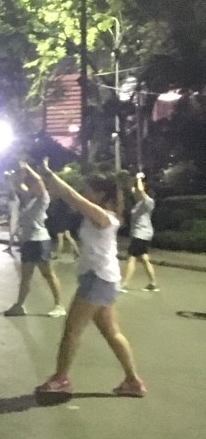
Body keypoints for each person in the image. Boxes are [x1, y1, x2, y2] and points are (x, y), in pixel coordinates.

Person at [36, 159, 146, 397]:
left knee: (72, 331)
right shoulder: (99, 215)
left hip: (98, 279)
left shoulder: (103, 216)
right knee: (111, 333)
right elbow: (68, 197)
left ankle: (61, 379)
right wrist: (47, 181)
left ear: (100, 194)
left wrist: (49, 173)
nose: (85, 193)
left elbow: (73, 196)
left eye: (89, 189)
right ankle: (133, 381)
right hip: (100, 278)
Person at [4, 162, 65, 317]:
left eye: (37, 186)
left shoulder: (43, 199)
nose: (34, 187)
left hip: (40, 241)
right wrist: (22, 171)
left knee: (48, 275)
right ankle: (19, 306)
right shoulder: (29, 198)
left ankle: (59, 305)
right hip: (29, 242)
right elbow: (17, 183)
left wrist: (29, 168)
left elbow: (38, 181)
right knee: (25, 277)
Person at [120, 172, 159, 292]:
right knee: (144, 258)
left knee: (131, 258)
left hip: (141, 233)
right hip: (141, 234)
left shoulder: (148, 202)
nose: (135, 191)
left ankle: (124, 284)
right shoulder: (139, 203)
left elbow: (140, 190)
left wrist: (139, 177)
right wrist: (133, 180)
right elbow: (133, 189)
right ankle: (153, 283)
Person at [50, 194, 80, 261]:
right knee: (68, 237)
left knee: (60, 239)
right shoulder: (68, 201)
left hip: (61, 222)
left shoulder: (59, 202)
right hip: (66, 222)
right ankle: (77, 252)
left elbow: (55, 212)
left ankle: (57, 255)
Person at [3, 173, 21, 254]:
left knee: (12, 233)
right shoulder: (13, 200)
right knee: (16, 233)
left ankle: (10, 247)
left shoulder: (15, 200)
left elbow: (11, 190)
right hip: (14, 217)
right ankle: (22, 246)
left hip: (15, 217)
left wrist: (9, 180)